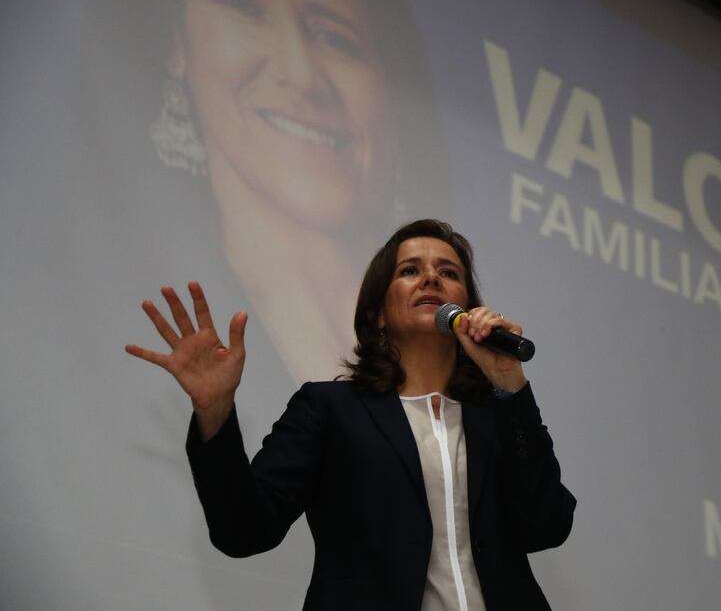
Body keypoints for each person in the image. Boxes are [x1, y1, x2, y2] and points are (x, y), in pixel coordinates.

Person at [125, 219, 576, 610]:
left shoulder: (498, 417)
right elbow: (244, 531)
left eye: (448, 273)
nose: (431, 279)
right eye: (410, 271)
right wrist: (215, 409)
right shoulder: (330, 410)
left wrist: (510, 384)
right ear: (378, 314)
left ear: (467, 309)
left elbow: (547, 526)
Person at [88, 0, 451, 385]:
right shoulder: (106, 312)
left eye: (335, 38)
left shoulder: (450, 363)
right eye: (243, 7)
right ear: (177, 44)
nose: (300, 74)